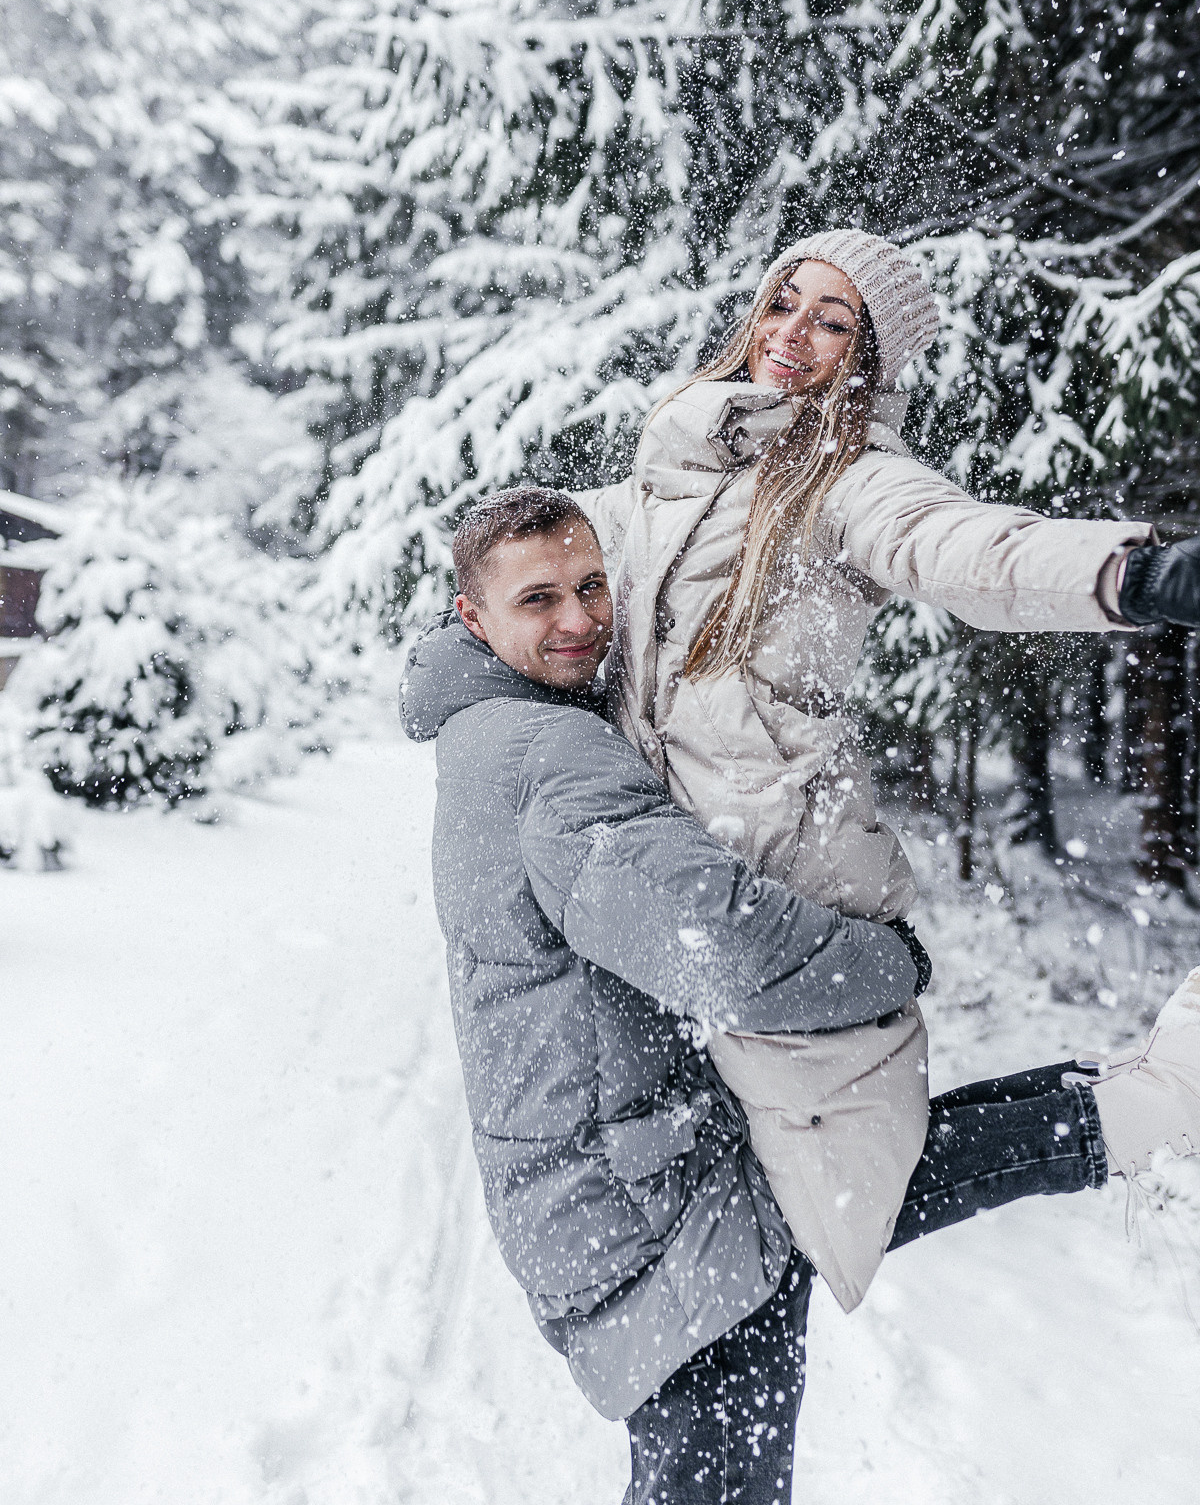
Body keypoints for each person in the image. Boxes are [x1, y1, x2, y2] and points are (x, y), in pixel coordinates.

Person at [399, 484, 1200, 1505]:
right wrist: (889, 961)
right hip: (649, 1212)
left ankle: (1146, 1104)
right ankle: (1146, 1106)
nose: (577, 621)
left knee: (863, 1170)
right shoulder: (542, 757)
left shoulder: (494, 729)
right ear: (473, 617)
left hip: (615, 1191)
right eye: (539, 600)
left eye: (592, 587)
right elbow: (724, 949)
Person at [575, 227, 1200, 1313]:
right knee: (740, 1189)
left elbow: (972, 554)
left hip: (783, 879)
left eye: (834, 321)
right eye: (786, 302)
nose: (794, 336)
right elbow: (551, 576)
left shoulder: (852, 484)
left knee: (840, 1192)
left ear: (868, 360)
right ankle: (1121, 1108)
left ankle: (1149, 1106)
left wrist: (1136, 576)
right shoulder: (666, 470)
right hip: (668, 884)